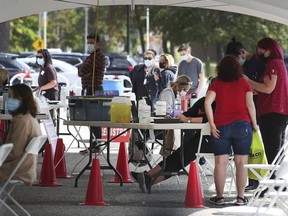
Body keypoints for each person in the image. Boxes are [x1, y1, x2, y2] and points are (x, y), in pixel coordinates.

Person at [134, 75, 214, 193]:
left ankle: (148, 177)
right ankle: (148, 179)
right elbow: (187, 113)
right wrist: (177, 116)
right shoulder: (203, 101)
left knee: (181, 157)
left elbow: (209, 119)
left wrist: (188, 120)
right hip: (198, 137)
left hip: (211, 140)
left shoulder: (218, 104)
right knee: (179, 155)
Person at [205, 55, 258, 205]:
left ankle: (220, 197)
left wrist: (212, 123)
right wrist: (254, 124)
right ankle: (240, 198)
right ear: (238, 68)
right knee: (241, 162)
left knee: (220, 163)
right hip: (242, 125)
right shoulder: (244, 82)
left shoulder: (216, 83)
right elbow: (250, 105)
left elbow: (207, 103)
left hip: (220, 126)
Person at [225, 37, 265, 191]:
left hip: (257, 107)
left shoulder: (258, 63)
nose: (236, 62)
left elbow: (262, 86)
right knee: (246, 149)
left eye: (236, 58)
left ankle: (256, 180)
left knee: (255, 148)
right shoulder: (240, 67)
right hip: (244, 110)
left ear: (242, 53)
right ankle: (251, 180)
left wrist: (249, 85)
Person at [244, 38, 288, 173]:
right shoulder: (280, 63)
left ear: (268, 50)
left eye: (260, 50)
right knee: (276, 150)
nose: (259, 53)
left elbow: (268, 88)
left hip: (271, 112)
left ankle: (273, 184)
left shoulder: (273, 64)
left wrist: (248, 81)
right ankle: (277, 182)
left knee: (272, 151)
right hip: (279, 112)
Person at [0, 84, 42, 185]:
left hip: (14, 170)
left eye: (13, 97)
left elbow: (15, 151)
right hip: (25, 170)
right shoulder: (30, 119)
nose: (9, 100)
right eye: (9, 96)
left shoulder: (21, 122)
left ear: (23, 100)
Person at [78, 33, 106, 154]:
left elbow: (83, 70)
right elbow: (83, 70)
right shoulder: (92, 56)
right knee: (92, 119)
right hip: (90, 88)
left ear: (97, 44)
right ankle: (94, 144)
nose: (89, 45)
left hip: (94, 89)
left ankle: (96, 145)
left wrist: (81, 68)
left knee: (94, 119)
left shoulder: (97, 56)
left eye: (91, 43)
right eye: (88, 43)